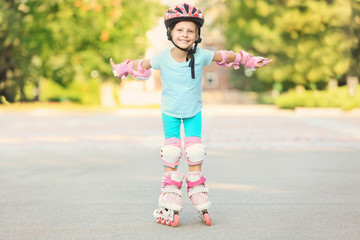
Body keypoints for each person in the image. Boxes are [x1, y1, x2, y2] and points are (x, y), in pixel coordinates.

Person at [110, 3, 272, 227]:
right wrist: (122, 68)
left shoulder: (202, 55)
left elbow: (226, 56)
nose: (185, 34)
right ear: (170, 32)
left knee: (195, 150)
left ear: (197, 35)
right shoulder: (161, 58)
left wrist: (249, 60)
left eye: (190, 31)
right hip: (170, 112)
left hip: (193, 111)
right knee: (171, 151)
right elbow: (141, 64)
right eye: (179, 30)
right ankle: (170, 193)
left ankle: (196, 188)